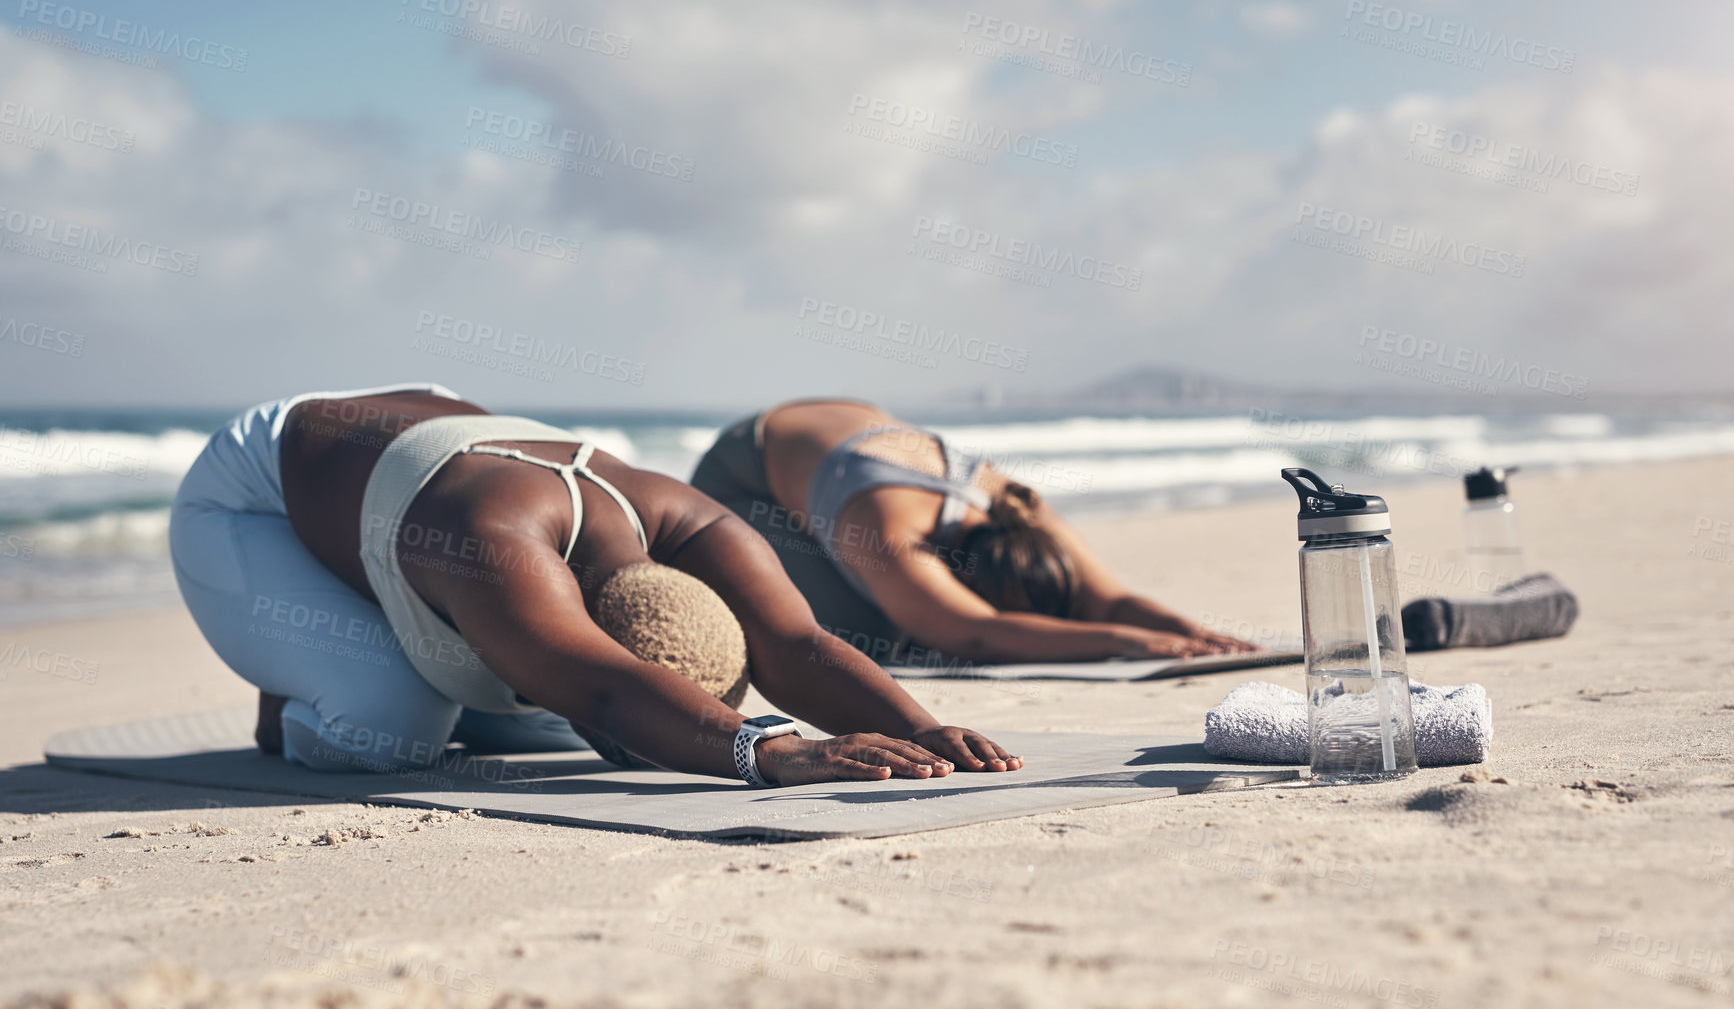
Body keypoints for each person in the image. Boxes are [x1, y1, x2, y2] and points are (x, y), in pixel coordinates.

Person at [168, 384, 1017, 786]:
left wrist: (924, 727)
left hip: (414, 459)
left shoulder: (697, 522)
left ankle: (461, 645)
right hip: (258, 500)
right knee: (395, 730)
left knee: (552, 714)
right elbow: (610, 699)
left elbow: (795, 645)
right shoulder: (496, 544)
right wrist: (775, 749)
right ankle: (291, 699)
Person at [690, 399, 1259, 666]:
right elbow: (975, 633)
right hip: (742, 474)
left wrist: (1187, 630)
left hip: (836, 426)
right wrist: (1112, 640)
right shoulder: (892, 531)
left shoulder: (1018, 509)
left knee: (909, 615)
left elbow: (1105, 597)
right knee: (871, 636)